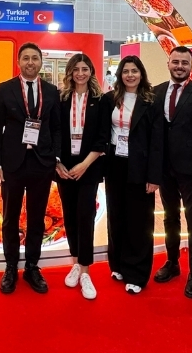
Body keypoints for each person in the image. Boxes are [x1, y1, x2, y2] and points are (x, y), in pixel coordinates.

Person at [0, 42, 62, 295]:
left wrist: (54, 156)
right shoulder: (5, 89)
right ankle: (11, 266)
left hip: (42, 163)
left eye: (35, 58)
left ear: (41, 62)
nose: (30, 62)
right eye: (26, 58)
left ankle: (32, 266)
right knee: (10, 217)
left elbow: (57, 127)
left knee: (36, 216)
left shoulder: (51, 91)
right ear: (19, 62)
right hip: (12, 163)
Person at [151, 46, 192, 298]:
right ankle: (172, 263)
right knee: (170, 219)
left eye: (184, 63)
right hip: (164, 170)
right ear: (168, 63)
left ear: (191, 66)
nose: (180, 66)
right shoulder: (156, 92)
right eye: (176, 62)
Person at [97, 55, 160, 294]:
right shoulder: (109, 99)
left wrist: (154, 176)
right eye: (126, 71)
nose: (130, 75)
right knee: (117, 216)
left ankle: (137, 273)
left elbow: (157, 142)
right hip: (115, 164)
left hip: (140, 166)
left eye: (134, 71)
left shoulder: (150, 101)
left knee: (139, 220)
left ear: (141, 74)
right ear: (120, 75)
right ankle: (118, 264)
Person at [56, 54, 107, 300]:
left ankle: (86, 270)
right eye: (76, 69)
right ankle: (76, 262)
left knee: (85, 216)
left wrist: (85, 165)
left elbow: (103, 136)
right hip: (64, 168)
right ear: (70, 72)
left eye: (85, 69)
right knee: (69, 216)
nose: (80, 73)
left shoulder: (100, 100)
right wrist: (57, 162)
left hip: (89, 166)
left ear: (91, 72)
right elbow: (54, 132)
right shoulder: (61, 99)